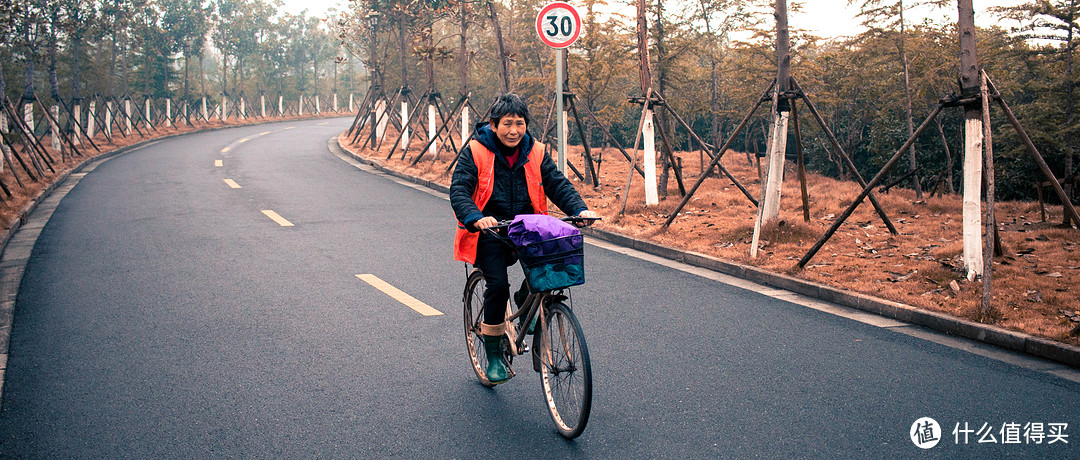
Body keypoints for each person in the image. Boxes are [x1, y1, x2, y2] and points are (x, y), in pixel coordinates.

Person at [451, 94, 598, 384]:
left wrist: (579, 209)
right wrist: (475, 217)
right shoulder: (476, 151)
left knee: (552, 263)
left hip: (528, 227)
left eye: (520, 123)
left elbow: (557, 183)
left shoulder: (536, 151)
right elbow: (459, 190)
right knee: (497, 285)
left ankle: (524, 298)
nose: (514, 130)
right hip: (489, 230)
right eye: (507, 123)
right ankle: (493, 352)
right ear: (493, 125)